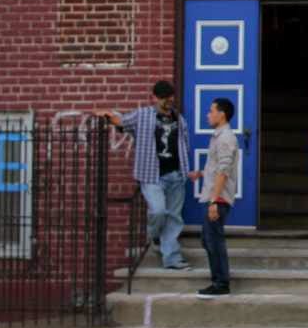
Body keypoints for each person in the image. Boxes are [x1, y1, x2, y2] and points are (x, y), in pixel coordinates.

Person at [99, 81, 191, 271]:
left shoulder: (179, 119)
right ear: (154, 98)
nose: (167, 101)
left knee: (174, 217)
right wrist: (106, 115)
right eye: (163, 98)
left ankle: (172, 259)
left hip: (176, 174)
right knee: (158, 211)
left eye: (170, 97)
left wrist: (184, 169)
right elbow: (121, 121)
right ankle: (155, 235)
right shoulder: (142, 115)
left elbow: (184, 143)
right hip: (151, 175)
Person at [189, 97, 240, 298]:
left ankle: (221, 284)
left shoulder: (226, 138)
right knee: (208, 239)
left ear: (222, 114)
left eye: (211, 111)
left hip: (217, 199)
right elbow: (216, 167)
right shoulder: (218, 137)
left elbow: (224, 171)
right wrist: (201, 174)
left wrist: (214, 201)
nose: (207, 115)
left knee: (213, 240)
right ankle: (218, 280)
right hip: (214, 196)